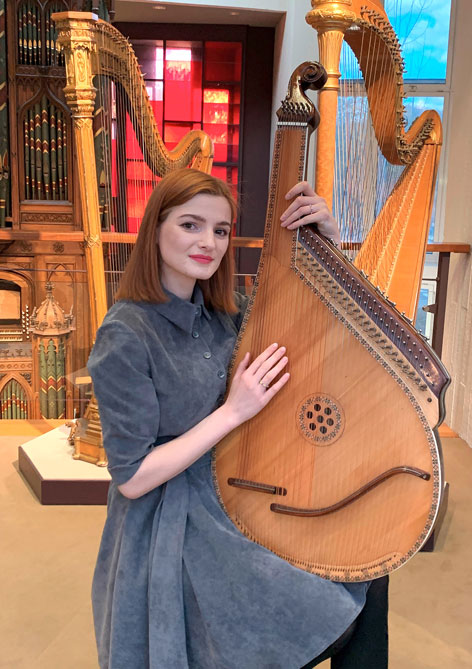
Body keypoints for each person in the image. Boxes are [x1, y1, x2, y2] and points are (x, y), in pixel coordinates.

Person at [88, 168, 388, 669]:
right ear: (156, 228)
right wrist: (233, 412)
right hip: (172, 522)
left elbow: (309, 319)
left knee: (366, 561)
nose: (208, 242)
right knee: (308, 601)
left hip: (238, 488)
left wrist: (330, 245)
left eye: (221, 230)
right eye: (190, 225)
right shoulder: (125, 333)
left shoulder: (223, 313)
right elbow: (133, 478)